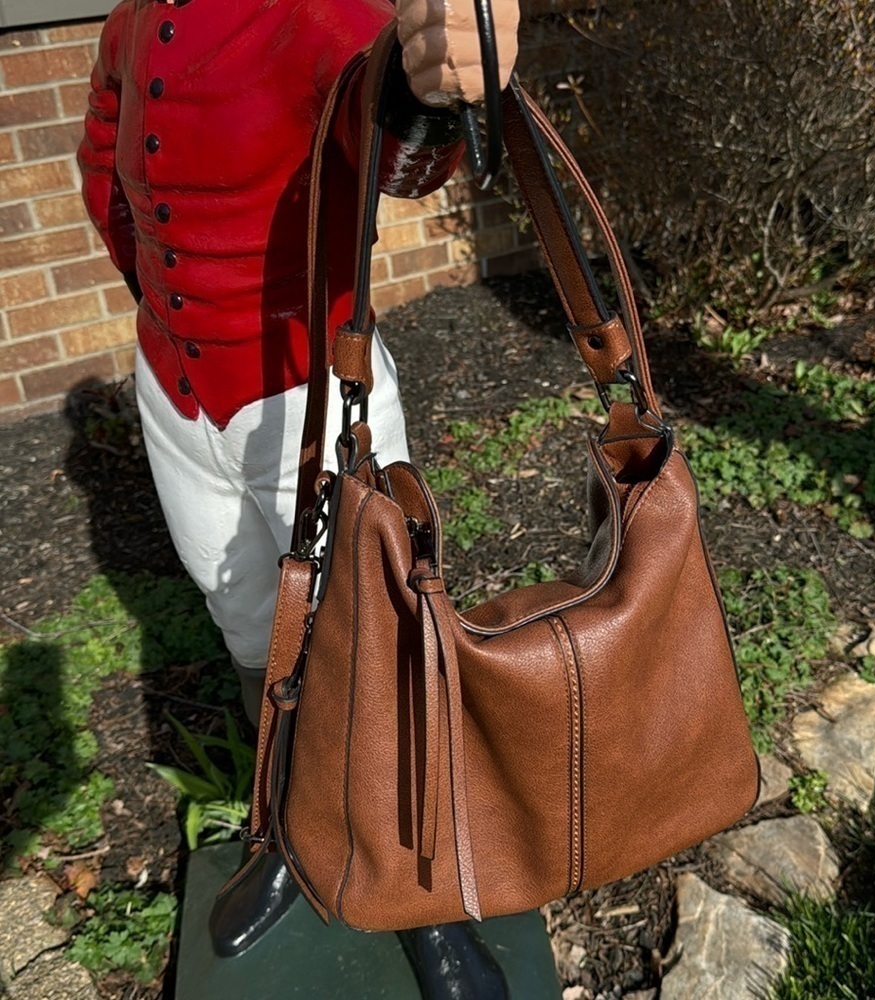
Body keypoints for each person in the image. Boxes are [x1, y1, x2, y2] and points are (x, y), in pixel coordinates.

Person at [77, 1, 520, 995]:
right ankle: (291, 833)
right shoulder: (134, 18)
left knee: (379, 640)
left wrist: (429, 91)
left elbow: (399, 149)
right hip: (176, 390)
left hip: (306, 389)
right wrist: (160, 300)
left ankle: (426, 897)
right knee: (250, 631)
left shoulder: (319, 8)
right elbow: (107, 157)